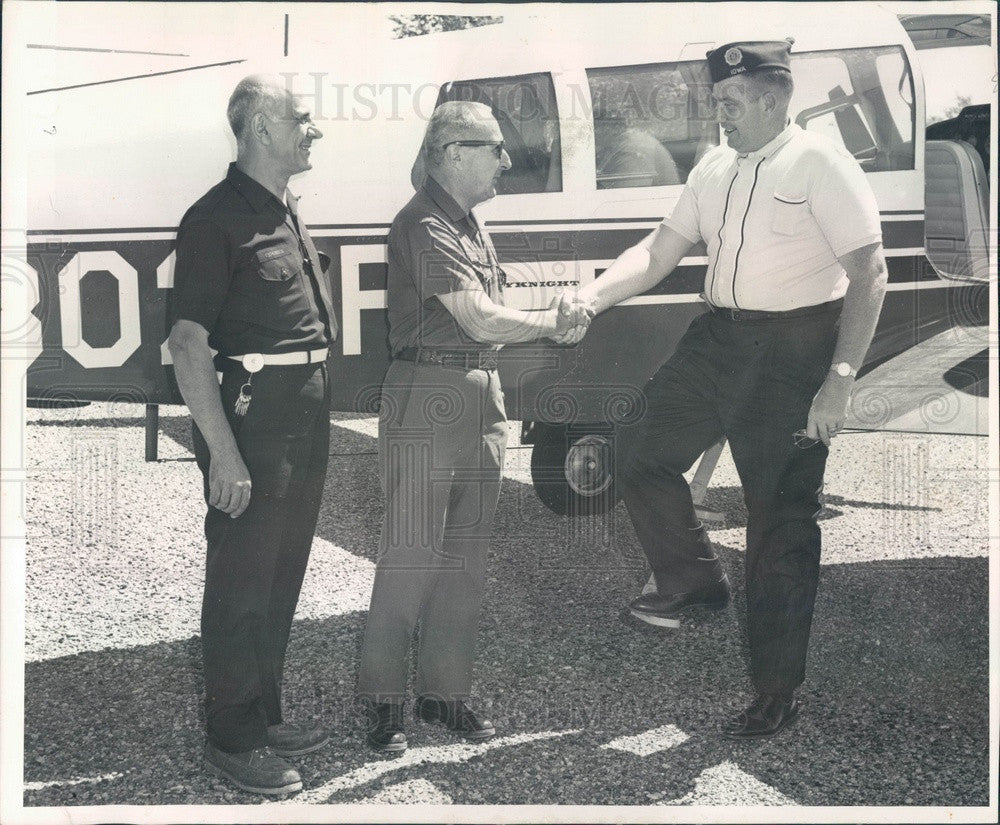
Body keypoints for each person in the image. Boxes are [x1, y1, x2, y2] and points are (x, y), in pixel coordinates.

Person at [566, 40, 887, 739]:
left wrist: (839, 380)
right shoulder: (714, 167)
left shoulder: (821, 163)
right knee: (637, 448)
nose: (719, 113)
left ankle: (777, 690)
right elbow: (657, 249)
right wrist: (591, 298)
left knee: (779, 522)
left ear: (773, 98)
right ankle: (695, 579)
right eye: (716, 100)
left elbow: (870, 272)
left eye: (730, 102)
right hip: (718, 342)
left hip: (795, 351)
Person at [357, 100, 588, 753]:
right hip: (427, 392)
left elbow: (488, 323)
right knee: (410, 553)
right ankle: (382, 703)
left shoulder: (468, 226)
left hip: (480, 392)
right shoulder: (424, 224)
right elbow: (482, 317)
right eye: (495, 147)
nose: (507, 160)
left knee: (466, 556)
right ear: (454, 151)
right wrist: (553, 323)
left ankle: (442, 692)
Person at [167, 74, 337, 794]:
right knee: (241, 573)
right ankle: (231, 735)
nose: (313, 130)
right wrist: (224, 451)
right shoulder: (213, 219)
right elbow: (186, 342)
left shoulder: (283, 207)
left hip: (301, 406)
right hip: (252, 412)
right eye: (301, 118)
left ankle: (262, 712)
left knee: (281, 569)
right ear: (261, 129)